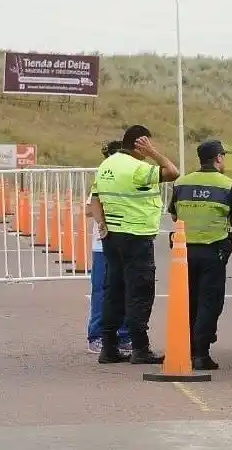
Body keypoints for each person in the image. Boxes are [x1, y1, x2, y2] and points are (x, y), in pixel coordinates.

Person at [89, 125, 180, 364]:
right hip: (137, 236)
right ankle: (140, 348)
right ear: (140, 143)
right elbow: (172, 172)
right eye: (147, 144)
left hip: (112, 237)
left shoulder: (106, 165)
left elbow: (95, 200)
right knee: (139, 293)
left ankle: (108, 347)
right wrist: (153, 153)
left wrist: (102, 225)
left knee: (114, 291)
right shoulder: (138, 168)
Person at [167, 139, 232, 370]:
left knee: (187, 301)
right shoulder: (226, 184)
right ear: (219, 158)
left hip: (183, 254)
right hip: (213, 252)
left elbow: (174, 215)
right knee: (209, 303)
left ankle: (185, 348)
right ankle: (200, 354)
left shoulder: (182, 183)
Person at [85, 140, 131, 354]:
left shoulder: (133, 176)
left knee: (126, 291)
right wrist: (103, 219)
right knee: (102, 292)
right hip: (103, 245)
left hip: (128, 241)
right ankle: (97, 335)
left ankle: (123, 335)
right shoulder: (104, 177)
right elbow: (88, 208)